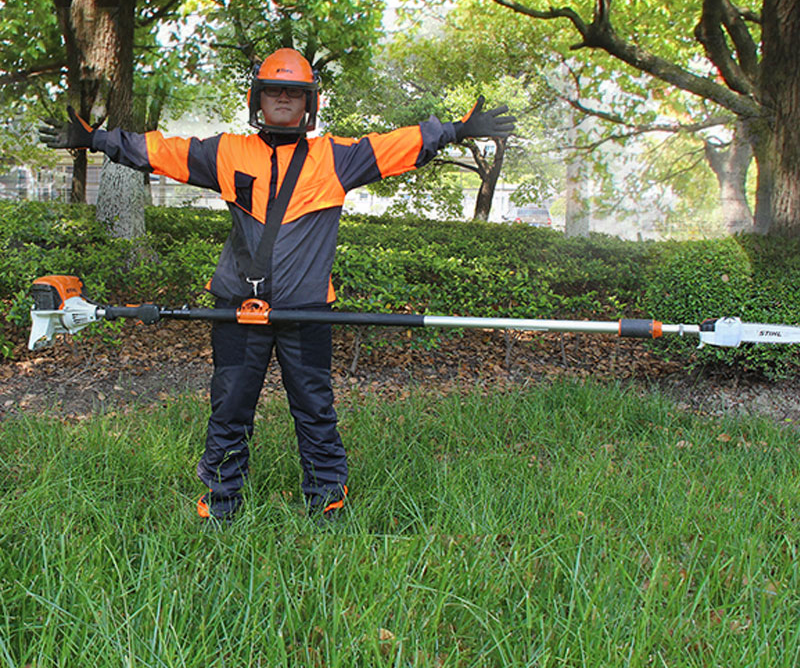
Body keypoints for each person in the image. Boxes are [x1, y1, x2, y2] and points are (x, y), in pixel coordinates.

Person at [40, 48, 516, 523]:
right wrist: (98, 139)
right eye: (274, 91)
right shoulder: (227, 153)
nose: (284, 98)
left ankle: (326, 499)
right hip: (237, 309)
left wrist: (453, 130)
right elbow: (162, 152)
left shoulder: (336, 158)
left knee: (314, 408)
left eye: (294, 91)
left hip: (305, 311)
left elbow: (397, 147)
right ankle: (220, 503)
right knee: (229, 407)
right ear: (257, 99)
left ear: (309, 103)